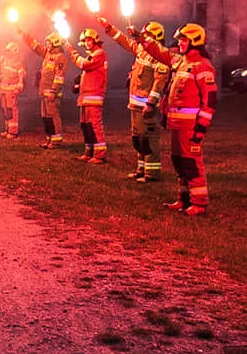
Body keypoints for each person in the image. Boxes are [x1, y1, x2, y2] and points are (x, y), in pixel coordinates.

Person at [138, 23, 217, 216]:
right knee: (179, 162)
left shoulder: (203, 67)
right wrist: (142, 39)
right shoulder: (181, 61)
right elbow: (160, 52)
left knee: (191, 163)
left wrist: (201, 129)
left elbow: (210, 102)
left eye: (184, 40)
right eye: (179, 40)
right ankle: (183, 199)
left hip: (190, 127)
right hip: (177, 124)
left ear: (195, 42)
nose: (179, 43)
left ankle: (199, 203)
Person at [97, 16, 169, 181]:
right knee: (138, 138)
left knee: (149, 139)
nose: (142, 38)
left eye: (146, 35)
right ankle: (141, 169)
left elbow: (159, 84)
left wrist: (151, 104)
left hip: (147, 106)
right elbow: (124, 40)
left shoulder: (161, 58)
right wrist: (108, 26)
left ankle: (152, 173)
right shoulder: (141, 50)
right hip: (135, 105)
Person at [18, 29, 68, 148]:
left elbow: (59, 77)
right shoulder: (47, 54)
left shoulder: (61, 57)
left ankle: (56, 141)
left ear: (56, 43)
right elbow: (35, 46)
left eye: (49, 43)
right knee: (45, 117)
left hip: (52, 93)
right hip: (44, 93)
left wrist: (54, 91)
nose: (47, 45)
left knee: (53, 116)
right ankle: (49, 139)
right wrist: (25, 35)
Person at [65, 29, 109, 164]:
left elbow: (84, 65)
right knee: (85, 126)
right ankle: (89, 152)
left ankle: (99, 154)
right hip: (86, 97)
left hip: (94, 96)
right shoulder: (92, 54)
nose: (87, 43)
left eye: (89, 40)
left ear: (95, 40)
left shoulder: (99, 53)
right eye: (85, 41)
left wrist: (71, 51)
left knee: (94, 125)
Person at [0, 42, 26, 138]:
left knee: (12, 111)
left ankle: (13, 132)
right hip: (3, 90)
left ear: (14, 52)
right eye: (6, 51)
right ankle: (7, 129)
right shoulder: (4, 60)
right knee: (6, 110)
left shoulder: (19, 65)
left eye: (9, 51)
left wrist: (18, 89)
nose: (7, 53)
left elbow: (21, 80)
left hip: (11, 90)